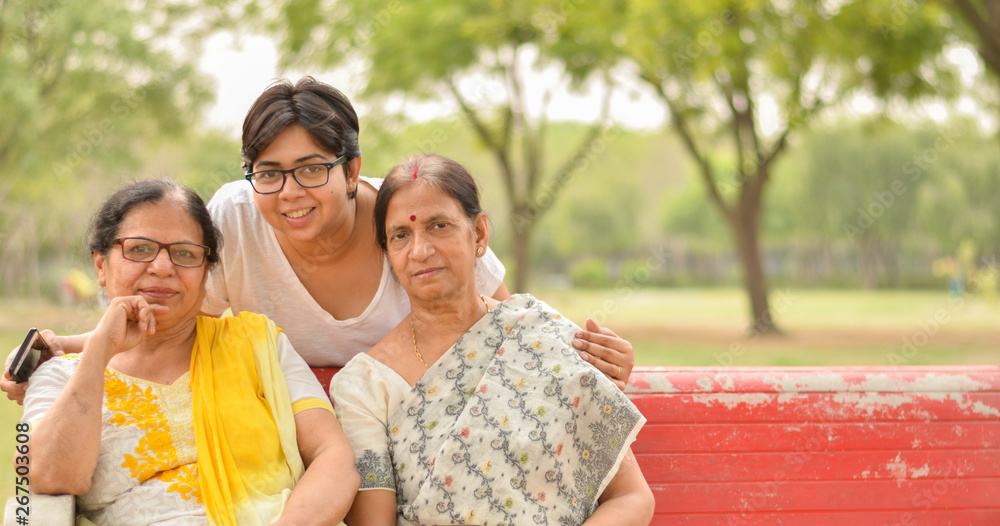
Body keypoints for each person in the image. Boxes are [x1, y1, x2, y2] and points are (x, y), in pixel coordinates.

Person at [2, 77, 634, 400]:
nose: (290, 193)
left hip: (401, 436)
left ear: (352, 168)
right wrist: (73, 347)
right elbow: (175, 325)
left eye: (312, 170)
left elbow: (502, 316)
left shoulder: (408, 217)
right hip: (290, 439)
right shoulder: (234, 218)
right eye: (269, 174)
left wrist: (596, 355)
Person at [21, 179, 407, 526]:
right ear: (101, 264)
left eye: (185, 254)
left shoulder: (257, 345)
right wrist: (99, 348)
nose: (161, 266)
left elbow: (335, 458)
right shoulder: (61, 375)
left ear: (206, 272)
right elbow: (53, 474)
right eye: (139, 249)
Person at [330, 154, 688, 526]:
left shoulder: (544, 338)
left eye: (439, 226)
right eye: (400, 237)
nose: (421, 250)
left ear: (479, 234)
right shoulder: (366, 385)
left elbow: (633, 499)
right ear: (387, 252)